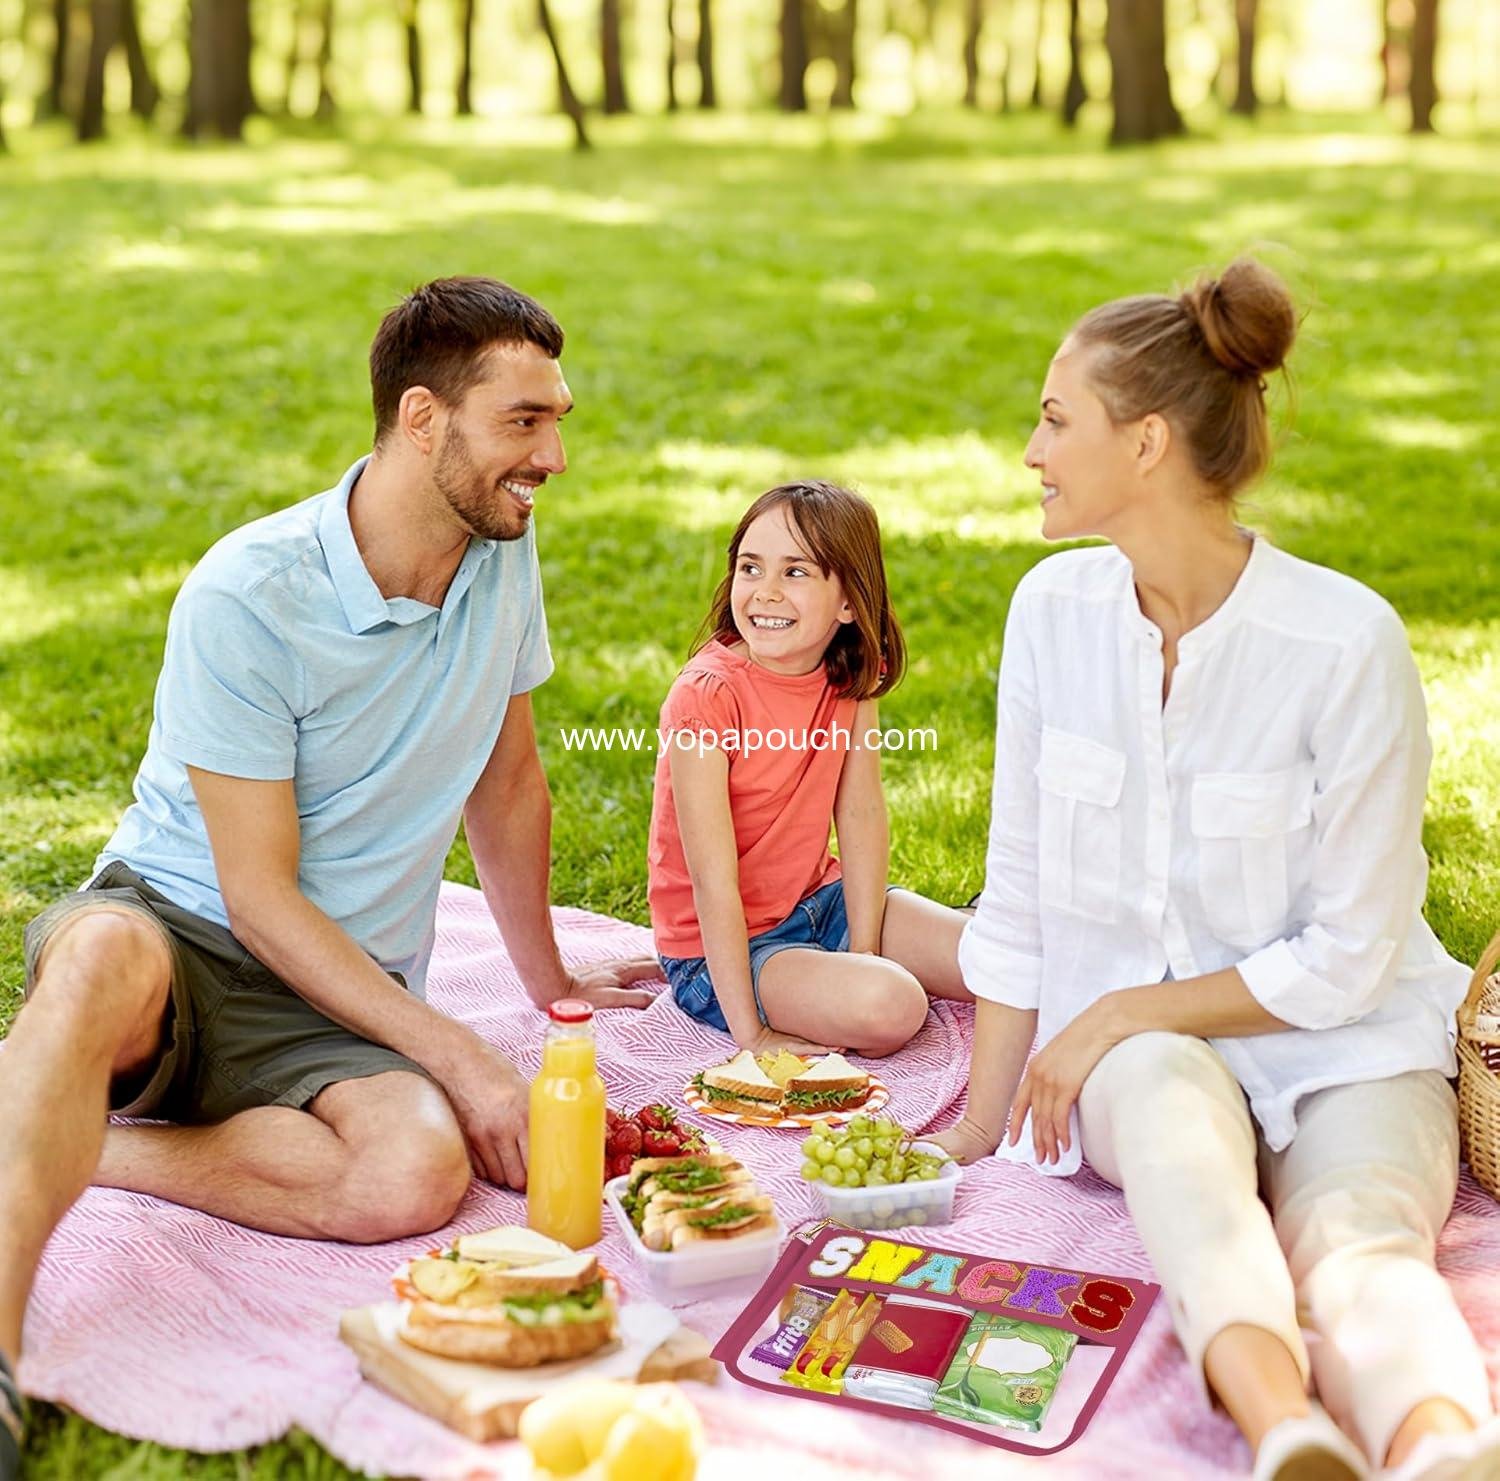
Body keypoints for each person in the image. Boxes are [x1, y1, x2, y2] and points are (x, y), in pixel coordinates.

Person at [0, 276, 656, 1475]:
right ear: (422, 418)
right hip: (186, 931)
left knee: (414, 1171)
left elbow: (508, 783)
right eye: (523, 422)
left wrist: (549, 981)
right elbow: (255, 898)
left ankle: (66, 1131)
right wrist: (462, 1053)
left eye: (557, 420)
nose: (553, 457)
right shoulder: (250, 593)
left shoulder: (500, 553)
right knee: (96, 957)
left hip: (337, 990)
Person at [932, 260, 1498, 1481]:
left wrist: (1116, 1010)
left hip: (1347, 1038)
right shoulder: (1051, 613)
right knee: (1194, 1185)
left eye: (1055, 418)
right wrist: (978, 1123)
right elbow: (1016, 894)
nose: (1031, 449)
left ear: (1145, 443)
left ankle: (1440, 1445)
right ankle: (1285, 1427)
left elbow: (1350, 956)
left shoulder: (1344, 641)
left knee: (1360, 1237)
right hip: (1143, 1065)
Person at [647, 480, 972, 1060]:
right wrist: (752, 1035)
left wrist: (864, 947)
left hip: (821, 902)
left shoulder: (849, 675)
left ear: (849, 602)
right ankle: (832, 984)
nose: (765, 592)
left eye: (795, 572)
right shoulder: (706, 697)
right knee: (893, 1005)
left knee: (995, 960)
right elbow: (711, 879)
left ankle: (868, 961)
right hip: (721, 952)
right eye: (751, 568)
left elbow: (861, 811)